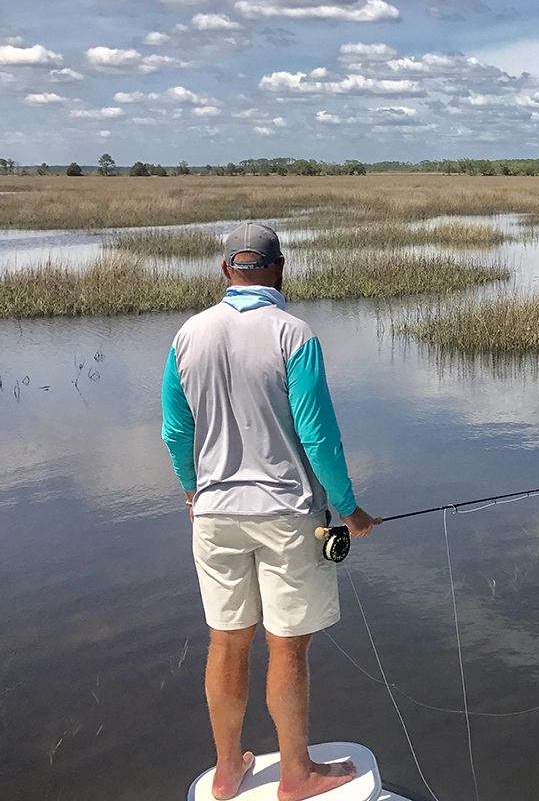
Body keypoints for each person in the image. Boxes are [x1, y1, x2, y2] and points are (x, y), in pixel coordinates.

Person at [160, 222, 379, 801]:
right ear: (280, 269)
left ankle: (229, 770)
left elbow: (174, 431)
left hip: (212, 513)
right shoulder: (294, 333)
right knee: (287, 645)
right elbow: (318, 437)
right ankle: (296, 774)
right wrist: (351, 509)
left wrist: (191, 490)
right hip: (289, 515)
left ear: (225, 271)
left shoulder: (188, 335)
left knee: (227, 640)